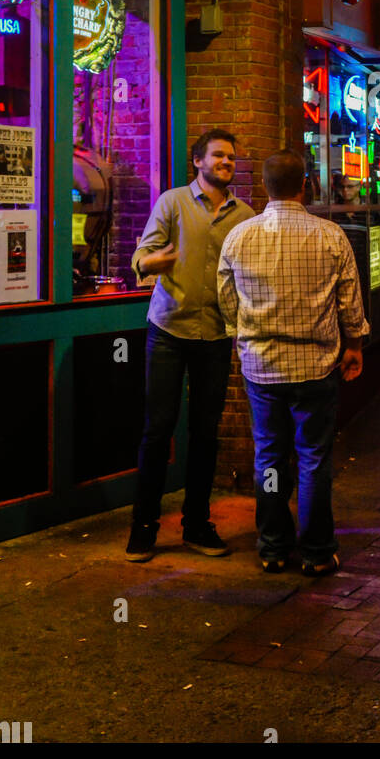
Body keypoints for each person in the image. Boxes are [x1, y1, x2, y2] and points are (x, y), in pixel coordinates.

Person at [217, 149, 369, 576]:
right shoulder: (330, 235)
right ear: (305, 184)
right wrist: (354, 344)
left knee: (268, 458)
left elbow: (227, 303)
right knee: (313, 458)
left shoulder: (239, 237)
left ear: (265, 186)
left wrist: (242, 337)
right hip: (316, 365)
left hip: (261, 367)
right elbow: (349, 301)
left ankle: (273, 547)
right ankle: (318, 551)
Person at [126, 129, 255, 562]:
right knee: (157, 429)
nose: (227, 162)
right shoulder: (172, 202)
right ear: (197, 161)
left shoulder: (245, 215)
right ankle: (143, 527)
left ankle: (197, 525)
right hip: (169, 330)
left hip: (216, 334)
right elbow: (140, 256)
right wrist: (152, 261)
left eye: (232, 158)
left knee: (206, 432)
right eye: (218, 155)